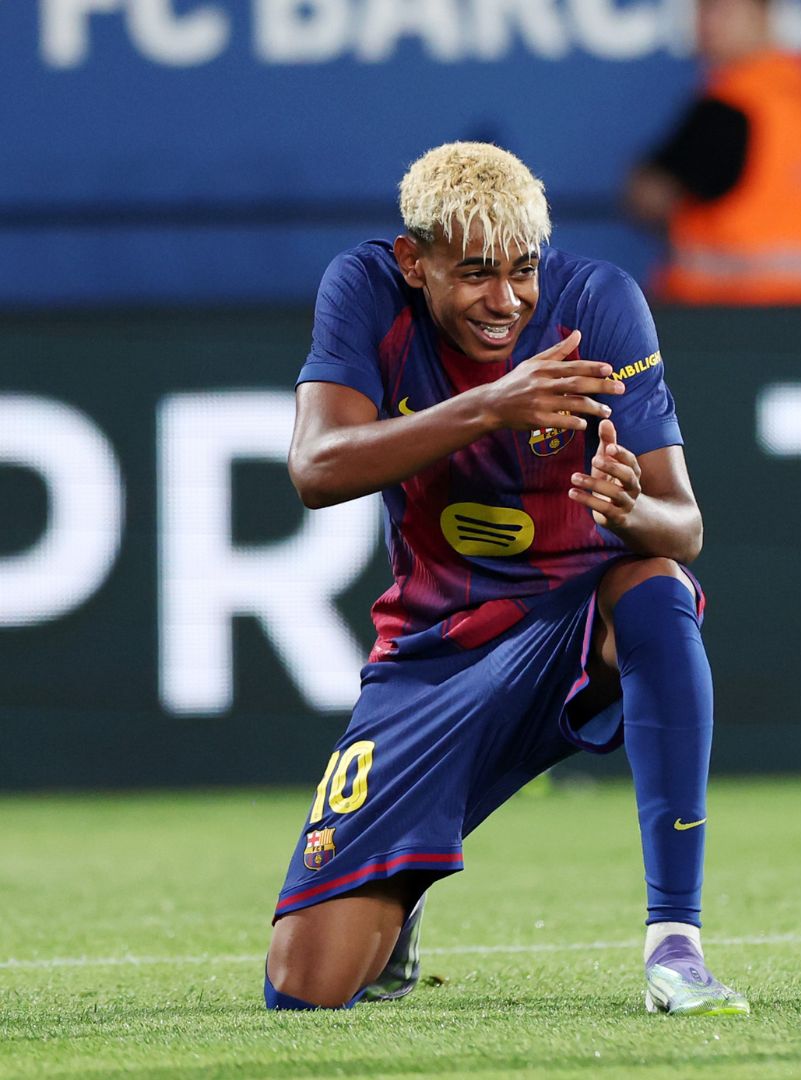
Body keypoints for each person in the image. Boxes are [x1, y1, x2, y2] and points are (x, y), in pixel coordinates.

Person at [265, 141, 748, 1016]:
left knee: (657, 584)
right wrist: (492, 403)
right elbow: (316, 468)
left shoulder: (598, 305)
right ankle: (402, 895)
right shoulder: (367, 290)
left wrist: (628, 508)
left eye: (523, 269)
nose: (507, 300)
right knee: (305, 989)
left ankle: (675, 946)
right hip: (434, 653)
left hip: (575, 625)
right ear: (414, 262)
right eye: (476, 273)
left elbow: (685, 526)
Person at [625, 0, 801, 305]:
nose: (703, 25)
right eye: (699, 11)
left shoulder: (733, 102)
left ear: (761, 13)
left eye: (718, 10)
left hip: (728, 314)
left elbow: (649, 195)